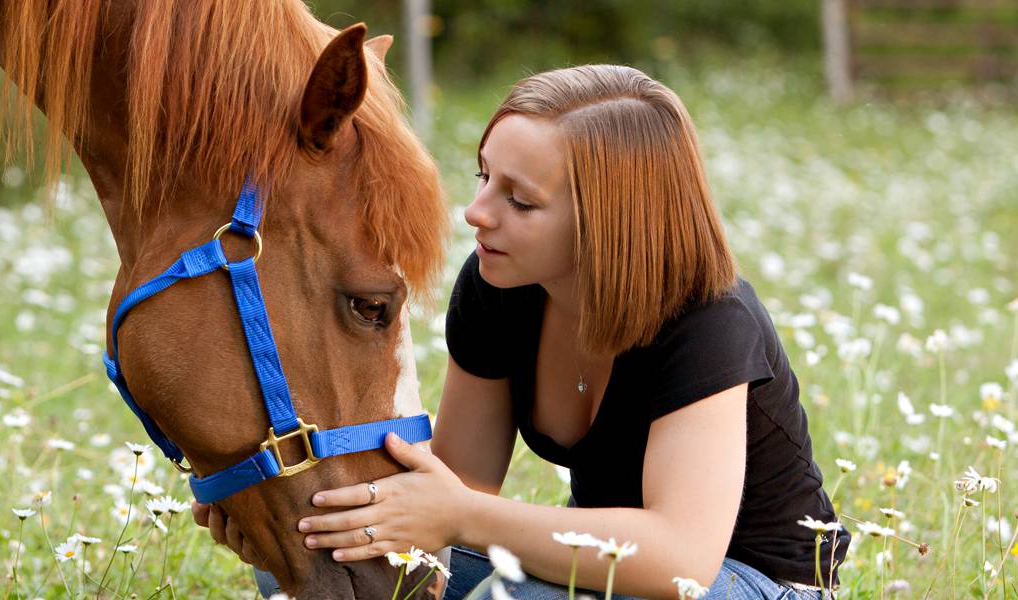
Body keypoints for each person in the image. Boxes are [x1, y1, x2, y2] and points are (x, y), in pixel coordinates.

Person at [197, 64, 847, 600]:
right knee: (323, 550)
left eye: (520, 199)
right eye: (484, 177)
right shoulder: (498, 290)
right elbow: (452, 486)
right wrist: (279, 503)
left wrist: (460, 516)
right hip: (604, 567)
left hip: (753, 581)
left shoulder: (708, 319)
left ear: (609, 222)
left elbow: (681, 558)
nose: (476, 212)